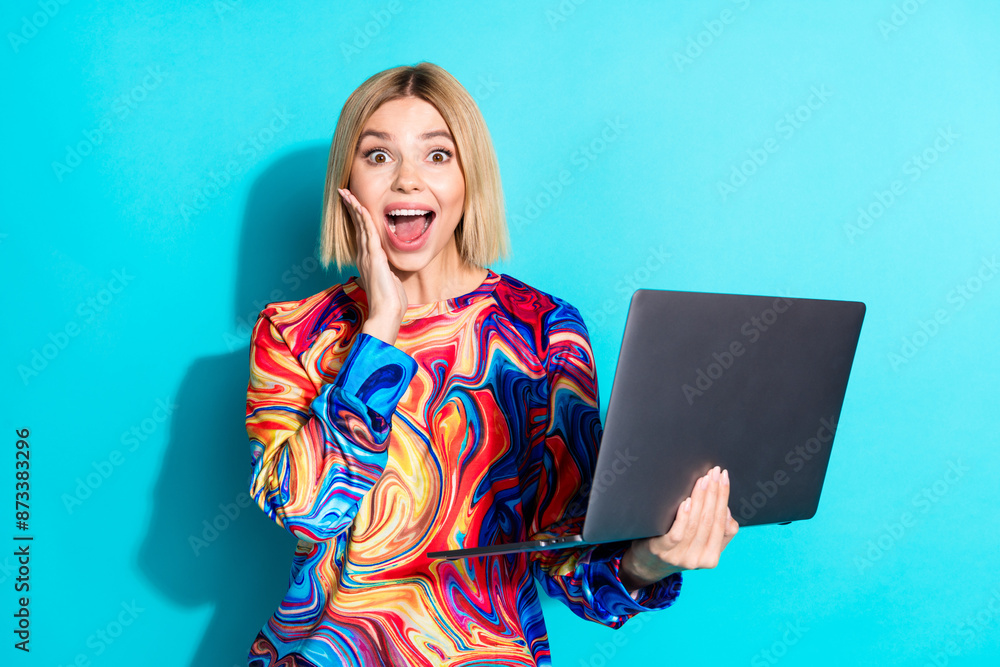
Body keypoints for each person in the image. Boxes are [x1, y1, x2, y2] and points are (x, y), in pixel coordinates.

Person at [244, 61, 739, 667]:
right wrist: (379, 332)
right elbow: (306, 514)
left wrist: (651, 560)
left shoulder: (544, 330)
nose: (406, 181)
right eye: (378, 156)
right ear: (346, 181)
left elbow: (566, 546)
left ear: (468, 178)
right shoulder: (293, 331)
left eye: (437, 155)